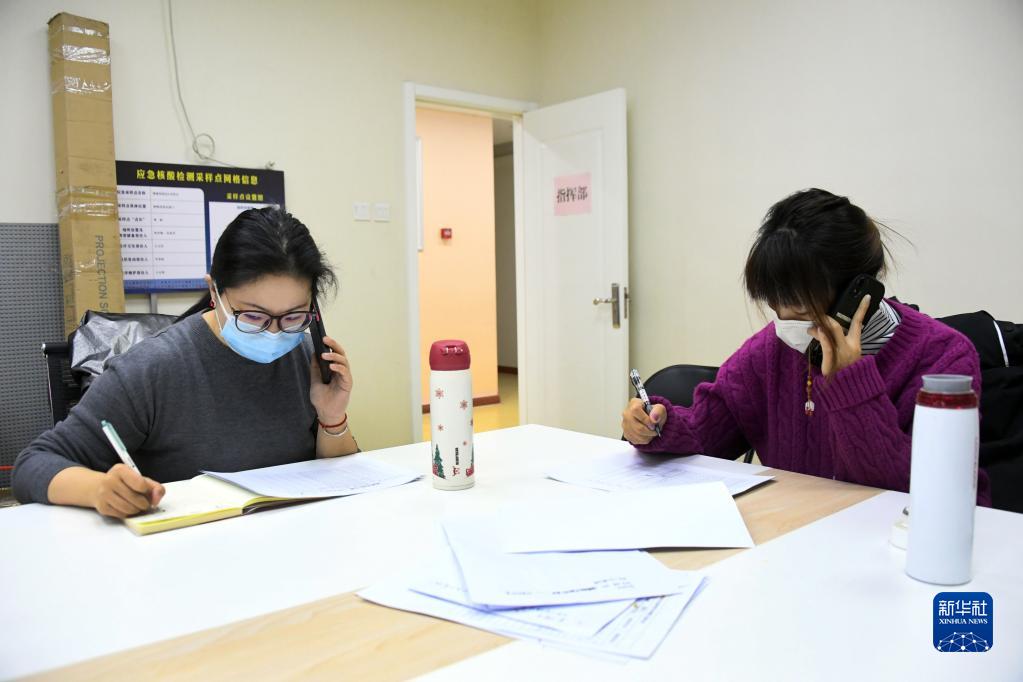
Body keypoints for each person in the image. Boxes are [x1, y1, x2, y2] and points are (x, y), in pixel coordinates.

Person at [622, 188, 990, 505]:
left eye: (800, 310)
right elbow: (706, 436)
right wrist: (658, 426)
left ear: (856, 294)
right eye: (776, 306)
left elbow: (910, 494)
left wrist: (850, 382)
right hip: (796, 535)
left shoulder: (943, 358)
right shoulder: (768, 351)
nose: (785, 323)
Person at [13, 207, 358, 516]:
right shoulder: (152, 369)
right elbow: (33, 465)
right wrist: (98, 489)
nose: (274, 333)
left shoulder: (304, 355)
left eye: (294, 316)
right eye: (253, 317)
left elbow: (341, 480)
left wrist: (331, 418)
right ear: (214, 292)